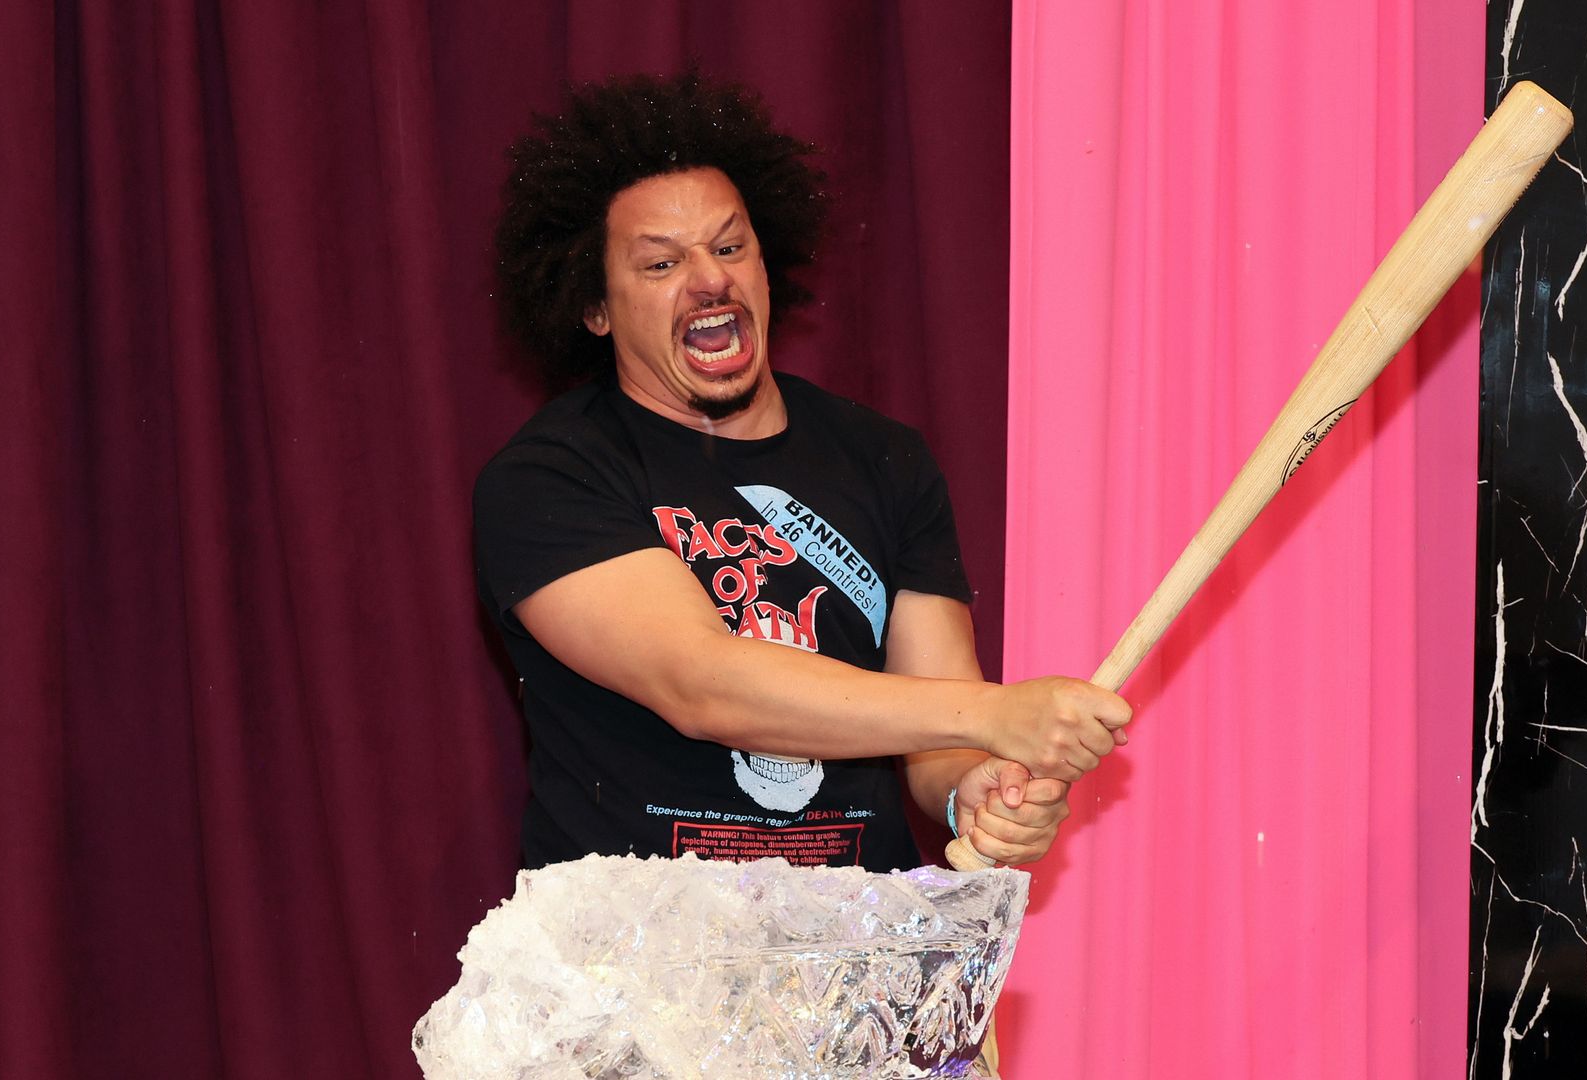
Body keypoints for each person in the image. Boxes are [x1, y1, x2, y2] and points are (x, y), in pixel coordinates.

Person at [475, 71, 1130, 873]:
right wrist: (997, 714)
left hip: (853, 959)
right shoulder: (552, 475)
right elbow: (702, 683)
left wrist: (977, 789)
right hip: (639, 971)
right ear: (595, 309)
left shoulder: (885, 458)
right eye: (659, 265)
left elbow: (938, 739)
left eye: (728, 246)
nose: (709, 279)